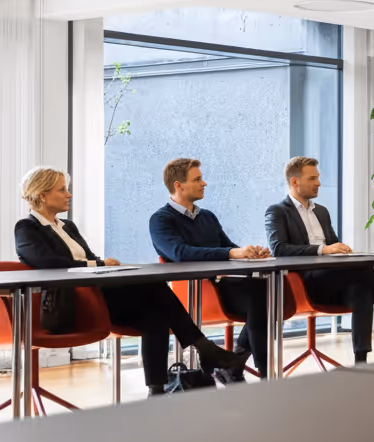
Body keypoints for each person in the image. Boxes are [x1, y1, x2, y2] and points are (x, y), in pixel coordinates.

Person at [15, 167, 248, 395]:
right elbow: (48, 263)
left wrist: (101, 263)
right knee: (153, 285)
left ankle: (157, 389)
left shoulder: (68, 226)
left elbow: (88, 258)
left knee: (154, 316)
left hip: (100, 295)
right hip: (74, 304)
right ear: (42, 195)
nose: (69, 195)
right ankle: (205, 348)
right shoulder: (27, 227)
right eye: (62, 190)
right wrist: (98, 265)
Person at [263, 157, 374, 363]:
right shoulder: (277, 211)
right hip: (307, 285)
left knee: (362, 291)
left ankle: (361, 363)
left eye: (318, 177)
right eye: (312, 178)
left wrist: (344, 250)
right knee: (365, 270)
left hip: (334, 281)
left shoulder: (321, 212)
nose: (319, 183)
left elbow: (334, 246)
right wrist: (324, 249)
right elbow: (279, 249)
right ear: (295, 182)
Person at [149, 158, 273, 379]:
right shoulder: (160, 220)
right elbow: (180, 253)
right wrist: (231, 253)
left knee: (267, 294)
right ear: (179, 185)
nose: (204, 183)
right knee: (261, 299)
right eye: (197, 179)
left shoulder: (207, 216)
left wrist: (250, 253)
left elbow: (227, 247)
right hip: (198, 290)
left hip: (225, 284)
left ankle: (240, 365)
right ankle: (262, 374)